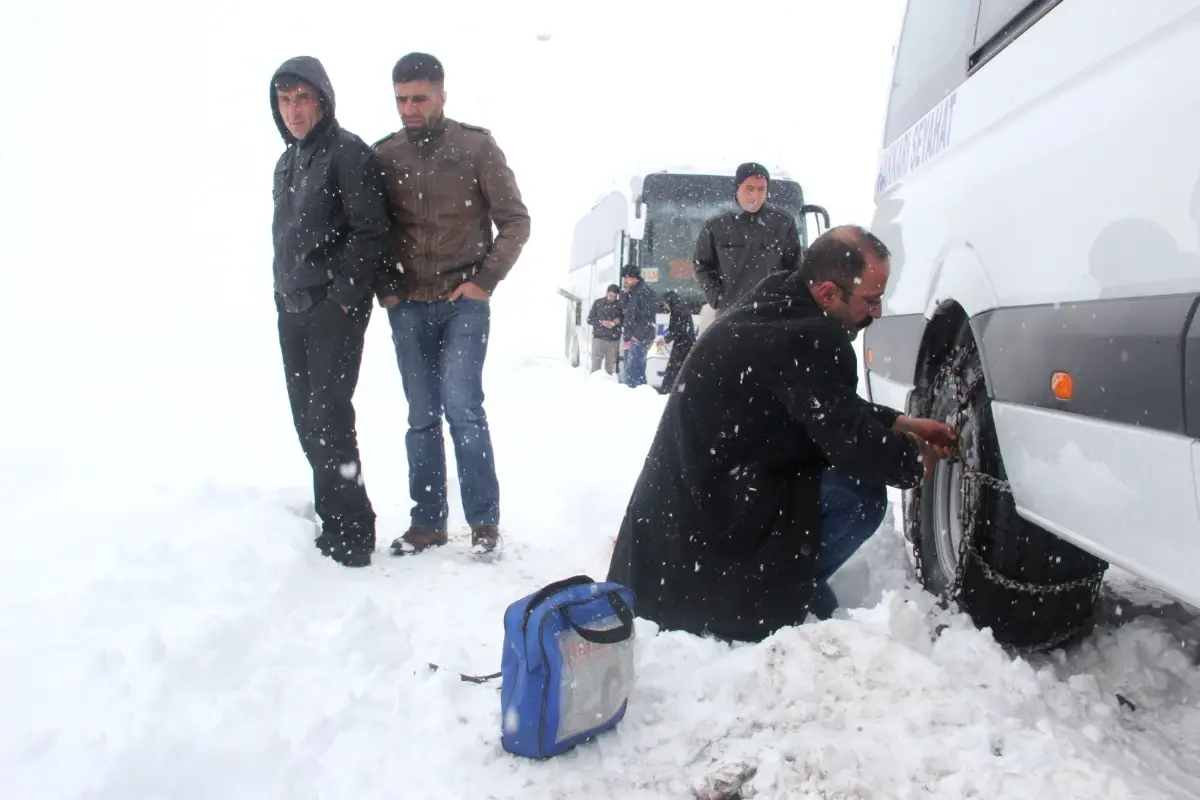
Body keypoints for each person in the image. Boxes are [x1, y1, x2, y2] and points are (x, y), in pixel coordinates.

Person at [607, 225, 957, 642]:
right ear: (828, 293)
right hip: (704, 539)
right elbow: (853, 445)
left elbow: (818, 401)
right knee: (860, 495)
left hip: (677, 526)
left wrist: (901, 423)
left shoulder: (779, 302)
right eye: (872, 300)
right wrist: (916, 460)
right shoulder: (807, 338)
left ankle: (784, 580)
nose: (877, 313)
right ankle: (780, 590)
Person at [373, 53, 531, 559]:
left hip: (463, 302)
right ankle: (428, 523)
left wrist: (485, 281)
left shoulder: (476, 147)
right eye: (401, 99)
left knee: (463, 408)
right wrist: (387, 288)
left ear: (442, 95)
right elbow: (368, 230)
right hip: (408, 306)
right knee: (421, 416)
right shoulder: (383, 156)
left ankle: (484, 523)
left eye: (419, 97)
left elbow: (515, 221)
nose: (409, 108)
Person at [270, 57, 391, 568]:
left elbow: (371, 230)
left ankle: (353, 531)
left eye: (302, 98)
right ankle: (333, 517)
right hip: (291, 306)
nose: (293, 110)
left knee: (330, 416)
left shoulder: (348, 153)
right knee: (306, 419)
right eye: (284, 99)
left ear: (323, 99)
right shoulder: (287, 162)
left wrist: (343, 297)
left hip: (331, 309)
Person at [693, 162, 801, 315]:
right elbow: (702, 265)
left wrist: (786, 300)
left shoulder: (783, 222)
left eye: (761, 189)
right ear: (737, 188)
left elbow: (795, 268)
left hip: (772, 314)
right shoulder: (717, 225)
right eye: (749, 189)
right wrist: (717, 297)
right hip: (730, 315)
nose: (755, 196)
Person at [617, 264, 658, 389]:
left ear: (635, 277)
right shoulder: (632, 291)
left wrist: (637, 336)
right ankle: (636, 395)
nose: (625, 280)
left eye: (627, 277)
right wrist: (624, 294)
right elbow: (623, 310)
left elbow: (647, 317)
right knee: (631, 371)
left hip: (639, 337)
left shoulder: (644, 292)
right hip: (630, 336)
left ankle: (637, 397)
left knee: (634, 371)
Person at [658, 290, 695, 393]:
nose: (665, 306)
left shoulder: (677, 311)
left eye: (665, 303)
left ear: (669, 301)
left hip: (682, 345)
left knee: (673, 370)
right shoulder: (681, 308)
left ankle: (667, 392)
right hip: (686, 344)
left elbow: (677, 330)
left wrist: (665, 339)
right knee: (682, 370)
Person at [587, 284, 623, 374]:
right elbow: (590, 319)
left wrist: (619, 320)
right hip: (599, 339)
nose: (612, 298)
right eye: (610, 295)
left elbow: (626, 319)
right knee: (595, 367)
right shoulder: (598, 303)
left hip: (613, 340)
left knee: (610, 369)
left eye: (615, 296)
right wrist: (601, 322)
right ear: (606, 293)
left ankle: (608, 385)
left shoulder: (620, 305)